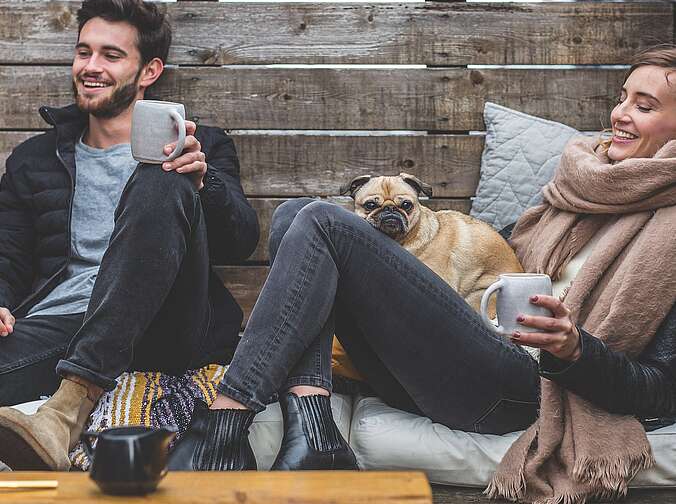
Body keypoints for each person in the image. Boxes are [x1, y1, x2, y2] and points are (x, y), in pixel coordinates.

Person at [169, 45, 676, 500]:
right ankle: (316, 431)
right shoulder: (583, 184)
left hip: (524, 389)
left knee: (322, 221)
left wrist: (574, 350)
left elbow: (658, 390)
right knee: (293, 214)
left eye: (644, 106)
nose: (619, 115)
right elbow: (506, 256)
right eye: (623, 96)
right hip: (455, 363)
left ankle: (228, 418)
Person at [0, 0, 259, 470]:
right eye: (84, 51)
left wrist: (204, 181)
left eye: (111, 55)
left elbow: (242, 241)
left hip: (163, 324)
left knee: (161, 176)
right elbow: (8, 255)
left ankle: (70, 406)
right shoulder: (34, 160)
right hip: (63, 326)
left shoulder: (200, 145)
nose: (90, 66)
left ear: (149, 72)